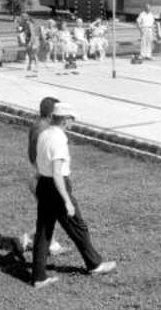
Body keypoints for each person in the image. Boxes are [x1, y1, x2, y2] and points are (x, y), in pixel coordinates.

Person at [32, 102, 116, 288]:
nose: (73, 122)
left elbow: (39, 163)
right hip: (56, 186)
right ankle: (95, 264)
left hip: (43, 185)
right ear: (65, 119)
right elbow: (57, 173)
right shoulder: (59, 139)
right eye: (72, 119)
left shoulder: (44, 134)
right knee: (78, 227)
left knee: (44, 232)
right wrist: (67, 200)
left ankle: (38, 276)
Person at [19, 97, 67, 257]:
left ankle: (51, 245)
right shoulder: (44, 129)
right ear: (51, 113)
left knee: (49, 212)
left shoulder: (38, 125)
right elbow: (39, 155)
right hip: (40, 177)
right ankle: (25, 238)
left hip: (37, 175)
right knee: (50, 214)